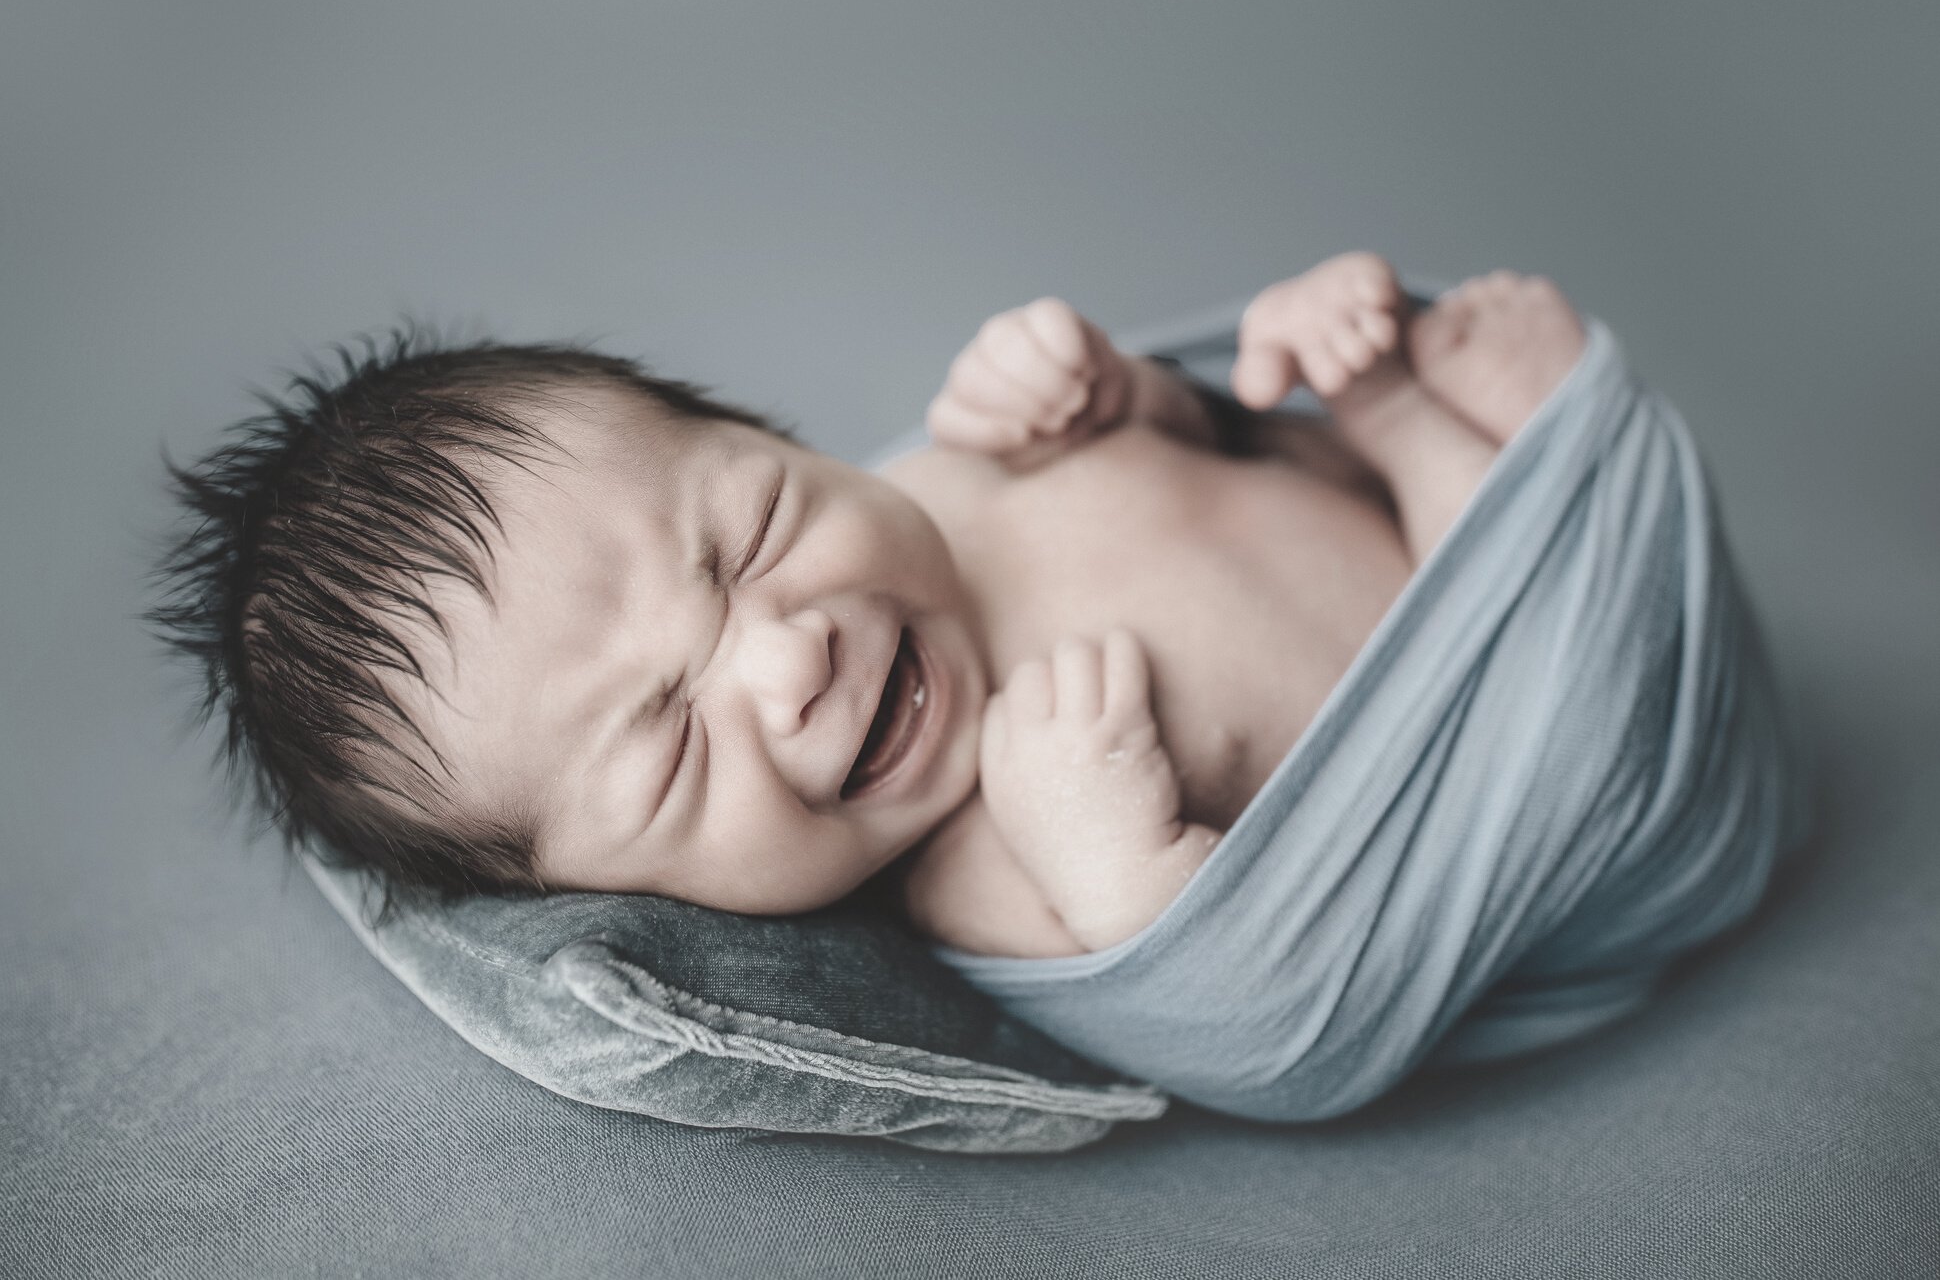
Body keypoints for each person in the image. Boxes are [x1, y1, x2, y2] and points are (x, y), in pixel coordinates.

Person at [153, 253, 1587, 959]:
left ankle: (1402, 418)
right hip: (1521, 712)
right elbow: (1283, 993)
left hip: (1378, 516)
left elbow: (1204, 444)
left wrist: (1109, 396)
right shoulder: (987, 864)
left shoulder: (951, 472)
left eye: (757, 523)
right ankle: (1437, 435)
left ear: (782, 437)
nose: (789, 655)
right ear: (611, 895)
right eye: (668, 745)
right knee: (1525, 577)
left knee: (1335, 348)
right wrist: (1125, 872)